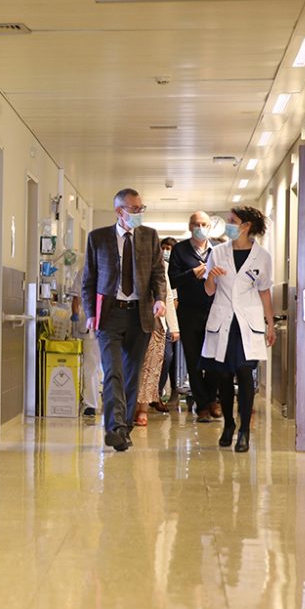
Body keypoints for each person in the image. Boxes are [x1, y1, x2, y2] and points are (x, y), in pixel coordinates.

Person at [82, 188, 167, 452]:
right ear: (120, 211)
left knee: (132, 375)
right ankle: (115, 427)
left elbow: (157, 273)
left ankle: (124, 428)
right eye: (134, 209)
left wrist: (160, 299)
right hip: (110, 314)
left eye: (142, 209)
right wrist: (90, 314)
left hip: (140, 315)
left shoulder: (149, 236)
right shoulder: (98, 238)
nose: (139, 213)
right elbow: (89, 281)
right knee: (113, 372)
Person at [200, 206, 276, 453]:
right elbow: (209, 290)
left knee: (244, 374)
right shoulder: (218, 252)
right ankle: (229, 424)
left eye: (233, 221)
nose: (229, 225)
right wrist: (211, 275)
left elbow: (264, 291)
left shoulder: (262, 257)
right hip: (223, 320)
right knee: (223, 375)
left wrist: (270, 325)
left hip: (248, 322)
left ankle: (244, 431)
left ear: (246, 226)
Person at [168, 212, 222, 422]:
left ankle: (211, 399)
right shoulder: (180, 251)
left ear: (209, 227)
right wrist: (192, 273)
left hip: (215, 309)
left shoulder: (218, 249)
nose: (200, 227)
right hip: (189, 311)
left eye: (204, 224)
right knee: (194, 359)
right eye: (196, 224)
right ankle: (202, 405)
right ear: (190, 227)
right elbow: (171, 281)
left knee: (214, 358)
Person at [134, 244, 179, 426]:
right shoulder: (129, 265)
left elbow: (168, 297)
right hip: (132, 322)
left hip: (156, 324)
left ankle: (142, 409)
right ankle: (131, 406)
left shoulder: (163, 268)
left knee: (151, 367)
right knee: (133, 367)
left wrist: (173, 326)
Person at [70, 269, 102, 417]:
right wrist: (75, 315)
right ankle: (91, 403)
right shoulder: (85, 272)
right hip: (91, 325)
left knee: (94, 367)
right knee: (92, 366)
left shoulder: (85, 271)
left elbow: (75, 299)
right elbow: (76, 298)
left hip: (103, 325)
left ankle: (93, 404)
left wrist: (75, 314)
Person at [156, 237, 180, 412]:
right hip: (145, 320)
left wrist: (174, 326)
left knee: (167, 356)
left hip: (165, 321)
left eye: (169, 248)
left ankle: (156, 392)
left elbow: (172, 298)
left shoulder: (168, 269)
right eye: (163, 248)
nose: (165, 251)